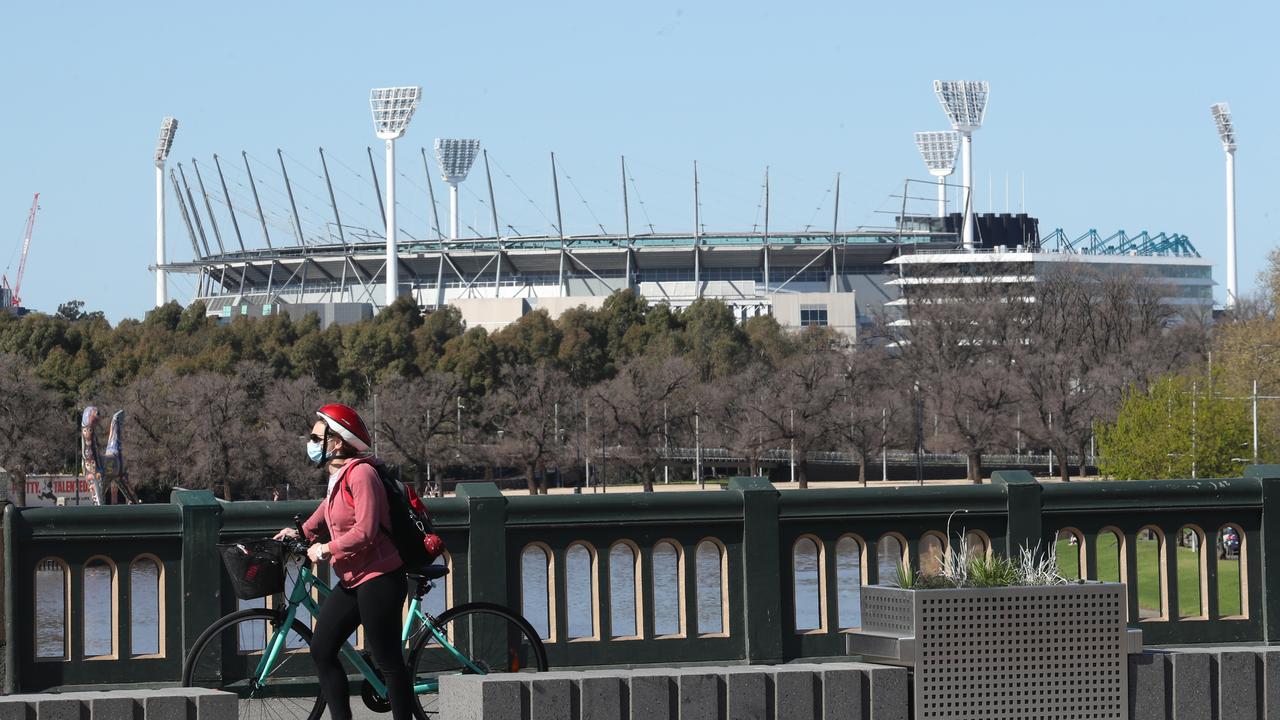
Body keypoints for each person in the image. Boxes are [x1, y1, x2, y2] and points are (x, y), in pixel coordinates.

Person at [273, 403, 414, 720]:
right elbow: (327, 510)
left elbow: (365, 531)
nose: (310, 441)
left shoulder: (362, 474)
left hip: (380, 578)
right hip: (352, 579)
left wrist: (326, 550)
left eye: (315, 435)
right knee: (322, 649)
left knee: (389, 661)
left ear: (335, 441)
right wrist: (301, 532)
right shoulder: (339, 476)